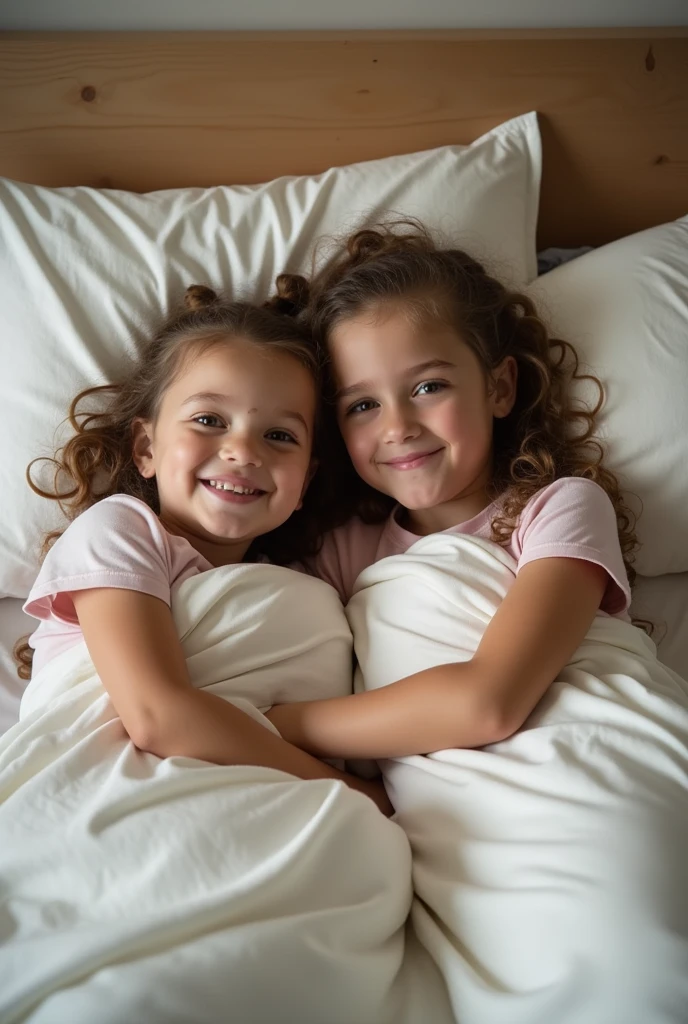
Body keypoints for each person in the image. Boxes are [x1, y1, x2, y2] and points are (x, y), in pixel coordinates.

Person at [265, 222, 641, 759]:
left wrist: (273, 725)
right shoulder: (338, 552)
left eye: (428, 387)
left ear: (499, 387)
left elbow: (488, 704)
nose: (397, 427)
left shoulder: (560, 510)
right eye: (362, 405)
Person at [17, 283, 391, 813]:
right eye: (209, 421)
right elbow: (155, 716)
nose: (242, 450)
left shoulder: (294, 585)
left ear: (304, 483)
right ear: (146, 447)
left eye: (280, 436)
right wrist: (360, 797)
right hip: (111, 794)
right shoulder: (120, 529)